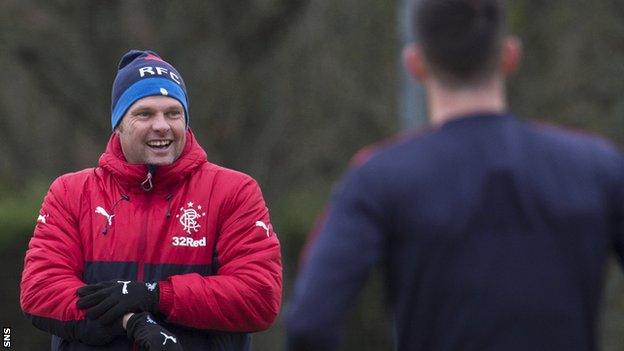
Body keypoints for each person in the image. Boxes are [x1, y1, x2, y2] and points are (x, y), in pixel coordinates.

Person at [285, 0, 624, 350]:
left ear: (415, 63)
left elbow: (311, 322)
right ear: (510, 55)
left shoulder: (379, 177)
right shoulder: (596, 166)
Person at [20, 50, 282, 351]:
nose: (162, 125)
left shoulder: (234, 191)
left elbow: (259, 296)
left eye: (173, 113)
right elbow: (41, 290)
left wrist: (156, 294)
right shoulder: (70, 193)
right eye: (144, 113)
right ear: (118, 124)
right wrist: (131, 322)